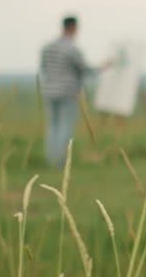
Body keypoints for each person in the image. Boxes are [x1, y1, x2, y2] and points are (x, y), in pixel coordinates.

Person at [39, 16, 111, 167]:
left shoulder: (47, 47)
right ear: (73, 28)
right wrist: (103, 67)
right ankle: (60, 162)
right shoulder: (72, 49)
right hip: (68, 92)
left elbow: (44, 68)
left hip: (49, 91)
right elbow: (85, 70)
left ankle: (50, 159)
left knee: (53, 126)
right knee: (65, 126)